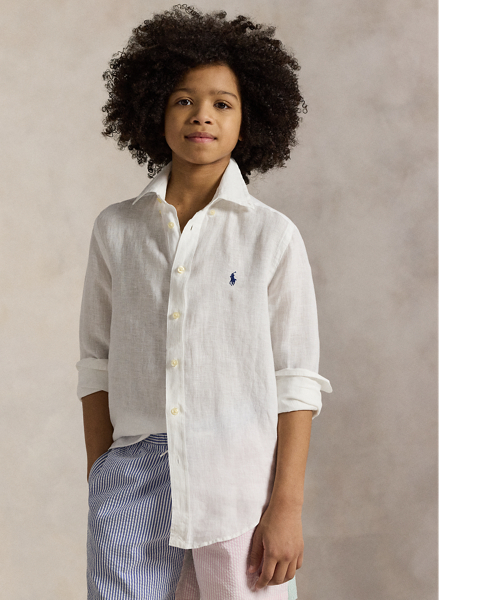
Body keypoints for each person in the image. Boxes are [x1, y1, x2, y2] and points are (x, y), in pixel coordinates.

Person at [76, 5, 332, 599]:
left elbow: (294, 381)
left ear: (249, 120)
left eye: (223, 103)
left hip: (238, 478)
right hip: (133, 476)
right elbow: (96, 365)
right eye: (184, 100)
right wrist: (101, 480)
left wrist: (286, 508)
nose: (202, 116)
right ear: (154, 111)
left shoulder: (271, 236)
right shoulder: (116, 229)